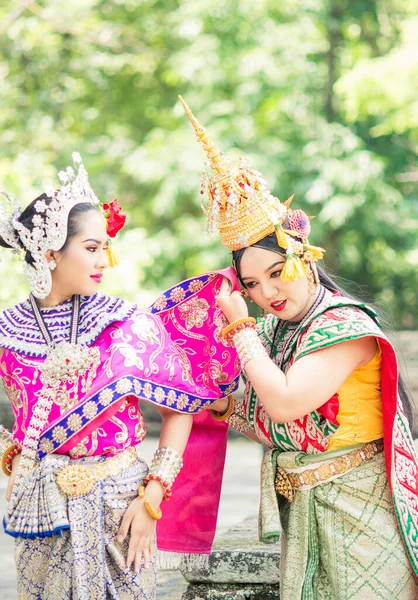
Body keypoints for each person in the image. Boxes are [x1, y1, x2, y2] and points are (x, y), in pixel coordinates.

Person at [179, 96, 418, 599]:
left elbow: (285, 401)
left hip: (362, 516)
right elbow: (273, 422)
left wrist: (240, 329)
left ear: (303, 256)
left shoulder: (344, 326)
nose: (267, 293)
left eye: (274, 272)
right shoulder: (275, 332)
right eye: (251, 284)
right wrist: (219, 402)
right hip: (305, 517)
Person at [0, 153, 239, 599]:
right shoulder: (7, 330)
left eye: (104, 248)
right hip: (40, 509)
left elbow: (181, 410)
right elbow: (20, 416)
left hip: (121, 503)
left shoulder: (127, 322)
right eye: (91, 248)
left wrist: (153, 498)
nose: (104, 261)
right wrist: (14, 457)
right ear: (50, 252)